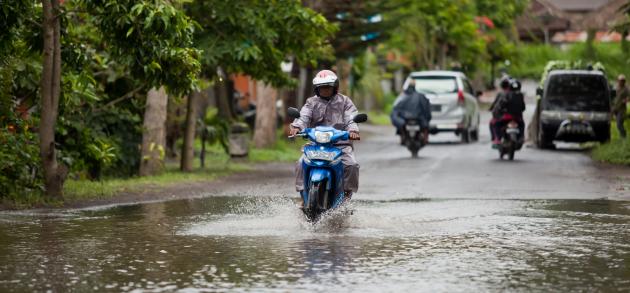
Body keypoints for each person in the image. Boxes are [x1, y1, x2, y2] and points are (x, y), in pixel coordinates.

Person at [289, 70, 361, 201]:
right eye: (322, 87)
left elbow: (351, 117)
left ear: (335, 87)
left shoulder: (345, 101)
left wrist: (353, 130)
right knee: (300, 163)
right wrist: (297, 126)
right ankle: (302, 194)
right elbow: (304, 116)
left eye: (328, 87)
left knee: (351, 165)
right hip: (316, 144)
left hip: (340, 145)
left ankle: (346, 195)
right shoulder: (311, 102)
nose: (325, 90)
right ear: (317, 89)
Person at [390, 79, 432, 144]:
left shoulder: (402, 96)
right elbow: (426, 109)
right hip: (416, 118)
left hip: (406, 119)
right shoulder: (420, 96)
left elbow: (395, 110)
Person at [494, 79, 526, 144]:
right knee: (522, 125)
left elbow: (501, 105)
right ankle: (521, 137)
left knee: (497, 124)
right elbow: (523, 108)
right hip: (518, 118)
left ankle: (498, 139)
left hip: (507, 117)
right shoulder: (520, 95)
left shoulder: (506, 94)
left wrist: (500, 111)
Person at [489, 77, 512, 145]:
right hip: (514, 116)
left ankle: (496, 138)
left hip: (503, 116)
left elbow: (495, 104)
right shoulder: (515, 94)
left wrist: (491, 109)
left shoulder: (501, 94)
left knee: (493, 123)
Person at [612, 74, 629, 139]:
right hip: (615, 107)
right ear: (618, 81)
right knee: (618, 123)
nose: (621, 82)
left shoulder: (626, 89)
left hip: (622, 109)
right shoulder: (616, 87)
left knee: (619, 123)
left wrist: (626, 100)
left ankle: (624, 135)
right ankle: (622, 136)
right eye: (620, 80)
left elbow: (628, 97)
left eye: (623, 80)